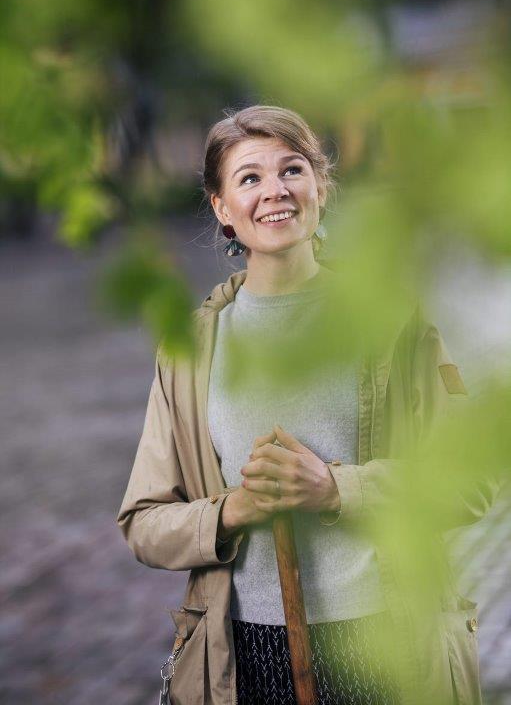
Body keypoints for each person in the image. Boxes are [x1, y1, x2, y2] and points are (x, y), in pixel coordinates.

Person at [117, 105, 496, 705]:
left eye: (291, 169)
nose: (275, 191)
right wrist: (233, 510)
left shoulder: (392, 322)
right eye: (249, 177)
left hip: (389, 639)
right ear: (222, 208)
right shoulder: (190, 349)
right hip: (244, 652)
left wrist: (335, 488)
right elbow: (143, 522)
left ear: (320, 186)